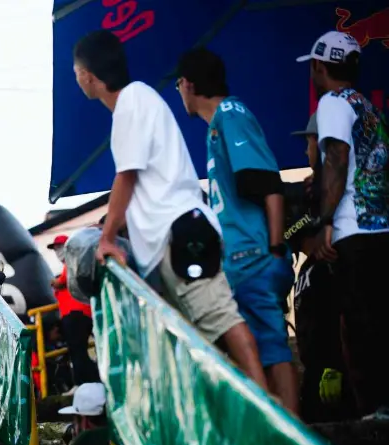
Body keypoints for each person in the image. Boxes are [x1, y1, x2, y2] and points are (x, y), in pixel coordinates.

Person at [73, 30, 267, 391]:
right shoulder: (137, 103)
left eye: (76, 72)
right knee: (204, 337)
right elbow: (142, 184)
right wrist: (118, 224)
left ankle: (271, 410)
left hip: (182, 231)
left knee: (221, 319)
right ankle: (252, 405)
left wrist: (107, 238)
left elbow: (126, 177)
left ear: (87, 75)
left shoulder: (132, 100)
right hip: (174, 235)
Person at [175, 48, 299, 414]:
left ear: (190, 83)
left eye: (179, 84)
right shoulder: (216, 127)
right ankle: (279, 432)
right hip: (237, 263)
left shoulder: (231, 114)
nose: (179, 91)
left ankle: (297, 435)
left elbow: (269, 184)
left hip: (256, 257)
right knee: (257, 350)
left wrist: (276, 251)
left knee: (274, 348)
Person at [298, 31, 389, 420]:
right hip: (381, 229)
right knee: (380, 318)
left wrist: (323, 220)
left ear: (320, 67)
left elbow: (336, 157)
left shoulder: (333, 103)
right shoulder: (366, 107)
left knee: (360, 325)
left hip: (354, 231)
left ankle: (375, 410)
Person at [288, 114, 354, 423]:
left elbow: (346, 310)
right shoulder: (307, 268)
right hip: (316, 373)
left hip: (337, 373)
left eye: (309, 143)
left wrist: (335, 366)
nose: (305, 151)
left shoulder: (333, 253)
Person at [48, 233, 100, 386]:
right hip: (76, 314)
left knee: (78, 352)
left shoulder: (72, 262)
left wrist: (55, 282)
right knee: (78, 351)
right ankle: (86, 382)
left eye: (60, 247)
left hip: (76, 313)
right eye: (55, 248)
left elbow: (61, 282)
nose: (58, 251)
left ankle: (85, 383)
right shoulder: (70, 264)